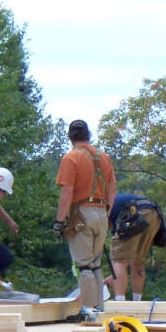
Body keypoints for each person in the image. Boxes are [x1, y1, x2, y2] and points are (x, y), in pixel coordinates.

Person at [53, 119, 116, 319]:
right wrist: (107, 211)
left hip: (82, 212)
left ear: (71, 137)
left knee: (83, 265)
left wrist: (59, 221)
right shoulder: (103, 157)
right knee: (95, 263)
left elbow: (67, 192)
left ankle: (88, 312)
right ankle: (99, 309)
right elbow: (112, 187)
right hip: (102, 211)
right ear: (88, 134)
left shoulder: (71, 158)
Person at [107, 193, 161, 301]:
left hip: (134, 214)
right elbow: (129, 255)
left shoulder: (104, 212)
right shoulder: (113, 204)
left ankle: (120, 303)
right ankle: (137, 302)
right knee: (137, 259)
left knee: (118, 260)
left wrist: (115, 274)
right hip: (154, 213)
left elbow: (121, 257)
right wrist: (112, 276)